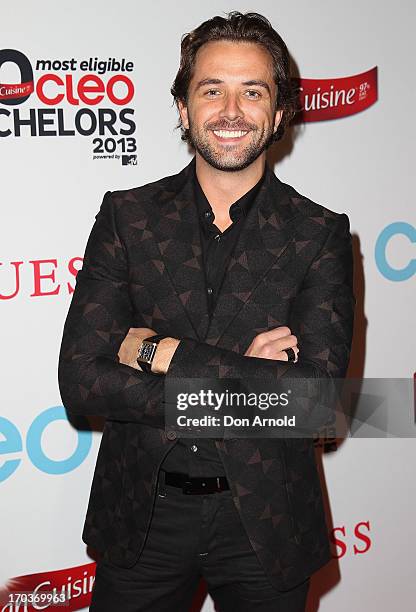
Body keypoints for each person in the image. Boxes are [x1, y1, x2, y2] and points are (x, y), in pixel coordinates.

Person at [58, 11, 355, 612]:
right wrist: (249, 375)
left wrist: (163, 354)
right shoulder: (128, 216)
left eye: (253, 91)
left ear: (278, 114)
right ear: (183, 107)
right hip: (142, 516)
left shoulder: (320, 232)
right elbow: (82, 382)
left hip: (267, 526)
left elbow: (318, 403)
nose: (230, 110)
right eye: (211, 89)